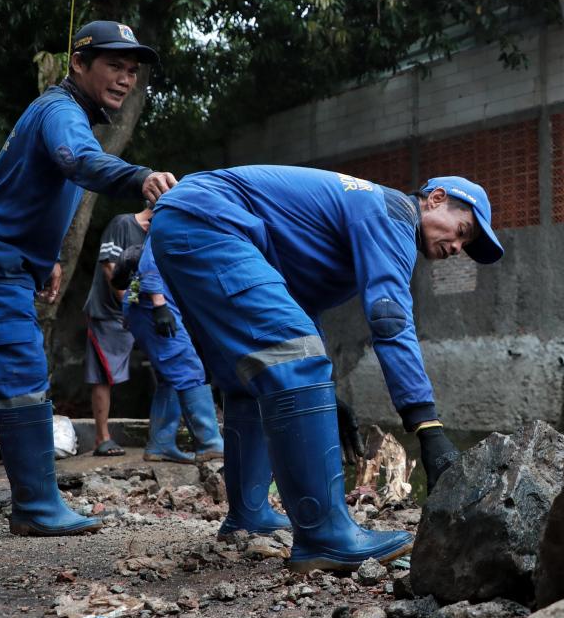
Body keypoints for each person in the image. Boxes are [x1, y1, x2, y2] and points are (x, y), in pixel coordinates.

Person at [0, 20, 177, 536]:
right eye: (114, 65)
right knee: (23, 378)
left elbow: (30, 193)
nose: (125, 78)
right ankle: (38, 507)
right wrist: (138, 176)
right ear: (78, 64)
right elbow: (79, 162)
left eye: (132, 70)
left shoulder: (64, 114)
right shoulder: (61, 113)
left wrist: (46, 258)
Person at [149, 167, 503, 572]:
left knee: (253, 378)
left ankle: (248, 515)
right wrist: (427, 428)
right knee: (295, 359)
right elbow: (390, 321)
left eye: (465, 242)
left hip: (188, 224)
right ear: (435, 198)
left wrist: (326, 395)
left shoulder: (360, 214)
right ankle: (325, 537)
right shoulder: (392, 215)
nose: (458, 246)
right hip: (212, 223)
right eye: (462, 230)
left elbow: (299, 306)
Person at [112, 242, 228, 467]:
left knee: (171, 377)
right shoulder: (175, 217)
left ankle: (161, 443)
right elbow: (150, 261)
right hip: (153, 301)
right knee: (188, 369)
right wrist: (159, 306)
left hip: (144, 300)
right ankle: (210, 444)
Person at [83, 206, 151, 456]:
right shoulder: (122, 223)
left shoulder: (156, 234)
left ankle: (161, 439)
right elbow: (110, 267)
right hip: (109, 312)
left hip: (141, 310)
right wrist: (127, 306)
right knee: (103, 375)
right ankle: (102, 438)